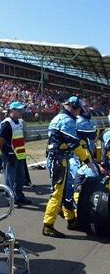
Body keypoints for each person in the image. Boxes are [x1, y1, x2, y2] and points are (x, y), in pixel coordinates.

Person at [42, 96, 94, 238]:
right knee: (58, 193)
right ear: (73, 107)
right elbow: (74, 144)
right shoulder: (67, 120)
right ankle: (48, 225)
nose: (79, 113)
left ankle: (70, 219)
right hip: (58, 160)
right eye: (78, 110)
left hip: (59, 158)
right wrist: (88, 160)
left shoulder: (59, 117)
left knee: (66, 191)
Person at [0, 101, 32, 208]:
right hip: (10, 155)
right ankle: (10, 199)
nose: (21, 111)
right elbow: (0, 139)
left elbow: (22, 137)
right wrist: (3, 152)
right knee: (10, 178)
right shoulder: (6, 123)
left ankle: (19, 196)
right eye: (18, 110)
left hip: (20, 154)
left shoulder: (20, 122)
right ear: (12, 111)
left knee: (21, 177)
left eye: (21, 110)